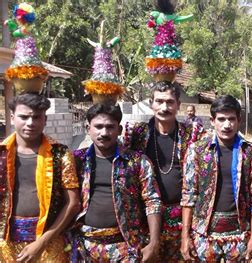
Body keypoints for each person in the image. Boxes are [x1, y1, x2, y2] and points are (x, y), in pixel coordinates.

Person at [122, 81, 203, 261]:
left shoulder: (192, 134)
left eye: (170, 102)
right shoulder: (137, 134)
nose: (164, 107)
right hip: (145, 222)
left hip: (182, 220)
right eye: (159, 101)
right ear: (151, 103)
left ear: (178, 105)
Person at [180, 95, 252, 262]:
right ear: (212, 121)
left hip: (240, 234)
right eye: (221, 119)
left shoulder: (251, 152)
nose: (227, 125)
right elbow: (188, 195)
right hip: (204, 234)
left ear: (239, 120)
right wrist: (185, 237)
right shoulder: (196, 151)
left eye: (231, 119)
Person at [73, 104, 162, 262]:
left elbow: (152, 201)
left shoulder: (137, 162)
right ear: (88, 128)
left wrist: (154, 242)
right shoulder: (77, 160)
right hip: (86, 246)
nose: (104, 133)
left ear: (119, 130)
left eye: (110, 127)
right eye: (98, 127)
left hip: (126, 246)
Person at [0, 93, 81, 262]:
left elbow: (73, 203)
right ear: (12, 117)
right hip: (5, 242)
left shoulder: (61, 154)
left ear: (44, 119)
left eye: (36, 117)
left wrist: (42, 242)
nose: (30, 123)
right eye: (24, 117)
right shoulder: (1, 154)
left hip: (49, 242)